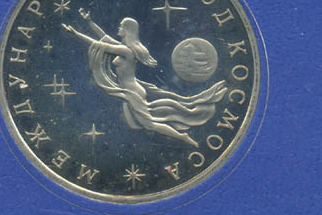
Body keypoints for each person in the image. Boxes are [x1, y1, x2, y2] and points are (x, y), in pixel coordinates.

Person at [62, 9, 226, 147]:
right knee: (138, 123)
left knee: (149, 124)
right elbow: (103, 37)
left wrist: (76, 33)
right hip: (129, 90)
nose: (118, 28)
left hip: (132, 91)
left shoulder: (126, 51)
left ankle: (182, 137)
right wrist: (89, 21)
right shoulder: (124, 47)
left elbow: (99, 45)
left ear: (128, 30)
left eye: (121, 26)